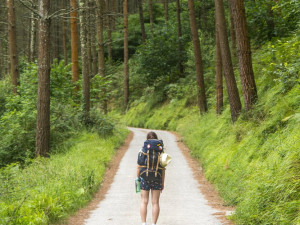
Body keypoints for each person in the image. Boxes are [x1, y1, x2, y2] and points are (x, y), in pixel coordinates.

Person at [136, 131, 165, 225]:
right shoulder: (161, 151)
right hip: (157, 178)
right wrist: (162, 183)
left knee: (144, 201)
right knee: (155, 202)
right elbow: (163, 169)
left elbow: (139, 166)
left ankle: (143, 223)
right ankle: (154, 223)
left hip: (145, 178)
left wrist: (138, 179)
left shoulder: (143, 150)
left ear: (147, 139)